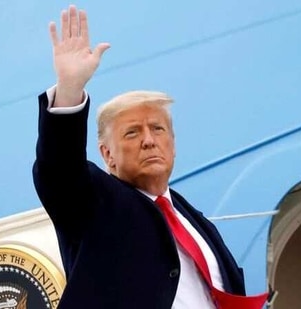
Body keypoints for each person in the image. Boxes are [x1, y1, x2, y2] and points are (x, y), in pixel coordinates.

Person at [32, 4, 269, 309]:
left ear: (173, 143)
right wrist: (69, 89)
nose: (148, 140)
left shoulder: (193, 219)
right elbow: (60, 171)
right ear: (107, 154)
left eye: (157, 129)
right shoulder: (96, 205)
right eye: (132, 133)